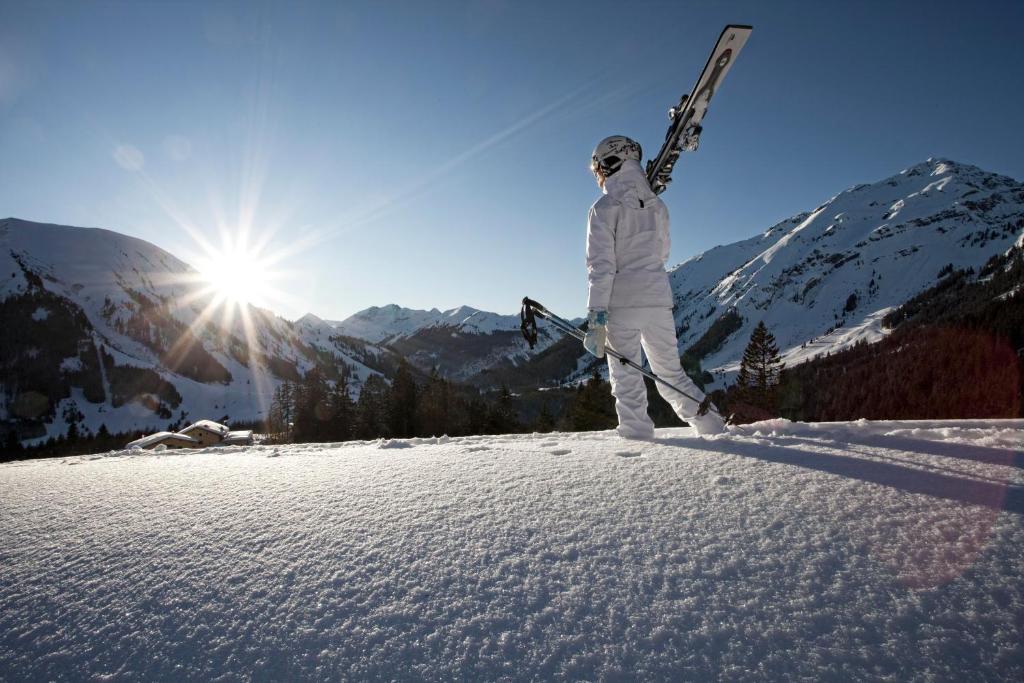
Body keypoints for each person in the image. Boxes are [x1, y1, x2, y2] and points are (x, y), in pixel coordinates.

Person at [583, 135, 726, 438]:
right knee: (670, 373)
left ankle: (636, 435)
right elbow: (663, 253)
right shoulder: (658, 206)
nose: (598, 175)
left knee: (626, 375)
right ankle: (712, 425)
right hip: (658, 301)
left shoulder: (604, 208)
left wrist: (596, 317)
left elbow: (601, 267)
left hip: (622, 304)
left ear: (609, 163)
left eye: (598, 168)